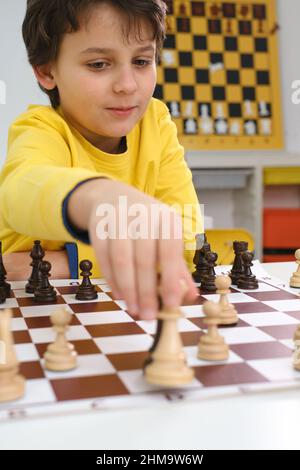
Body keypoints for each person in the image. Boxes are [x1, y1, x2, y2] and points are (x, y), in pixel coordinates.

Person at [0, 0, 203, 320]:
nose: (127, 85)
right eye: (98, 64)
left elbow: (184, 239)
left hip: (122, 319)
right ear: (46, 70)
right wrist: (95, 196)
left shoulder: (156, 122)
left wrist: (68, 261)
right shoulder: (40, 130)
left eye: (141, 60)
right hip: (33, 318)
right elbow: (17, 193)